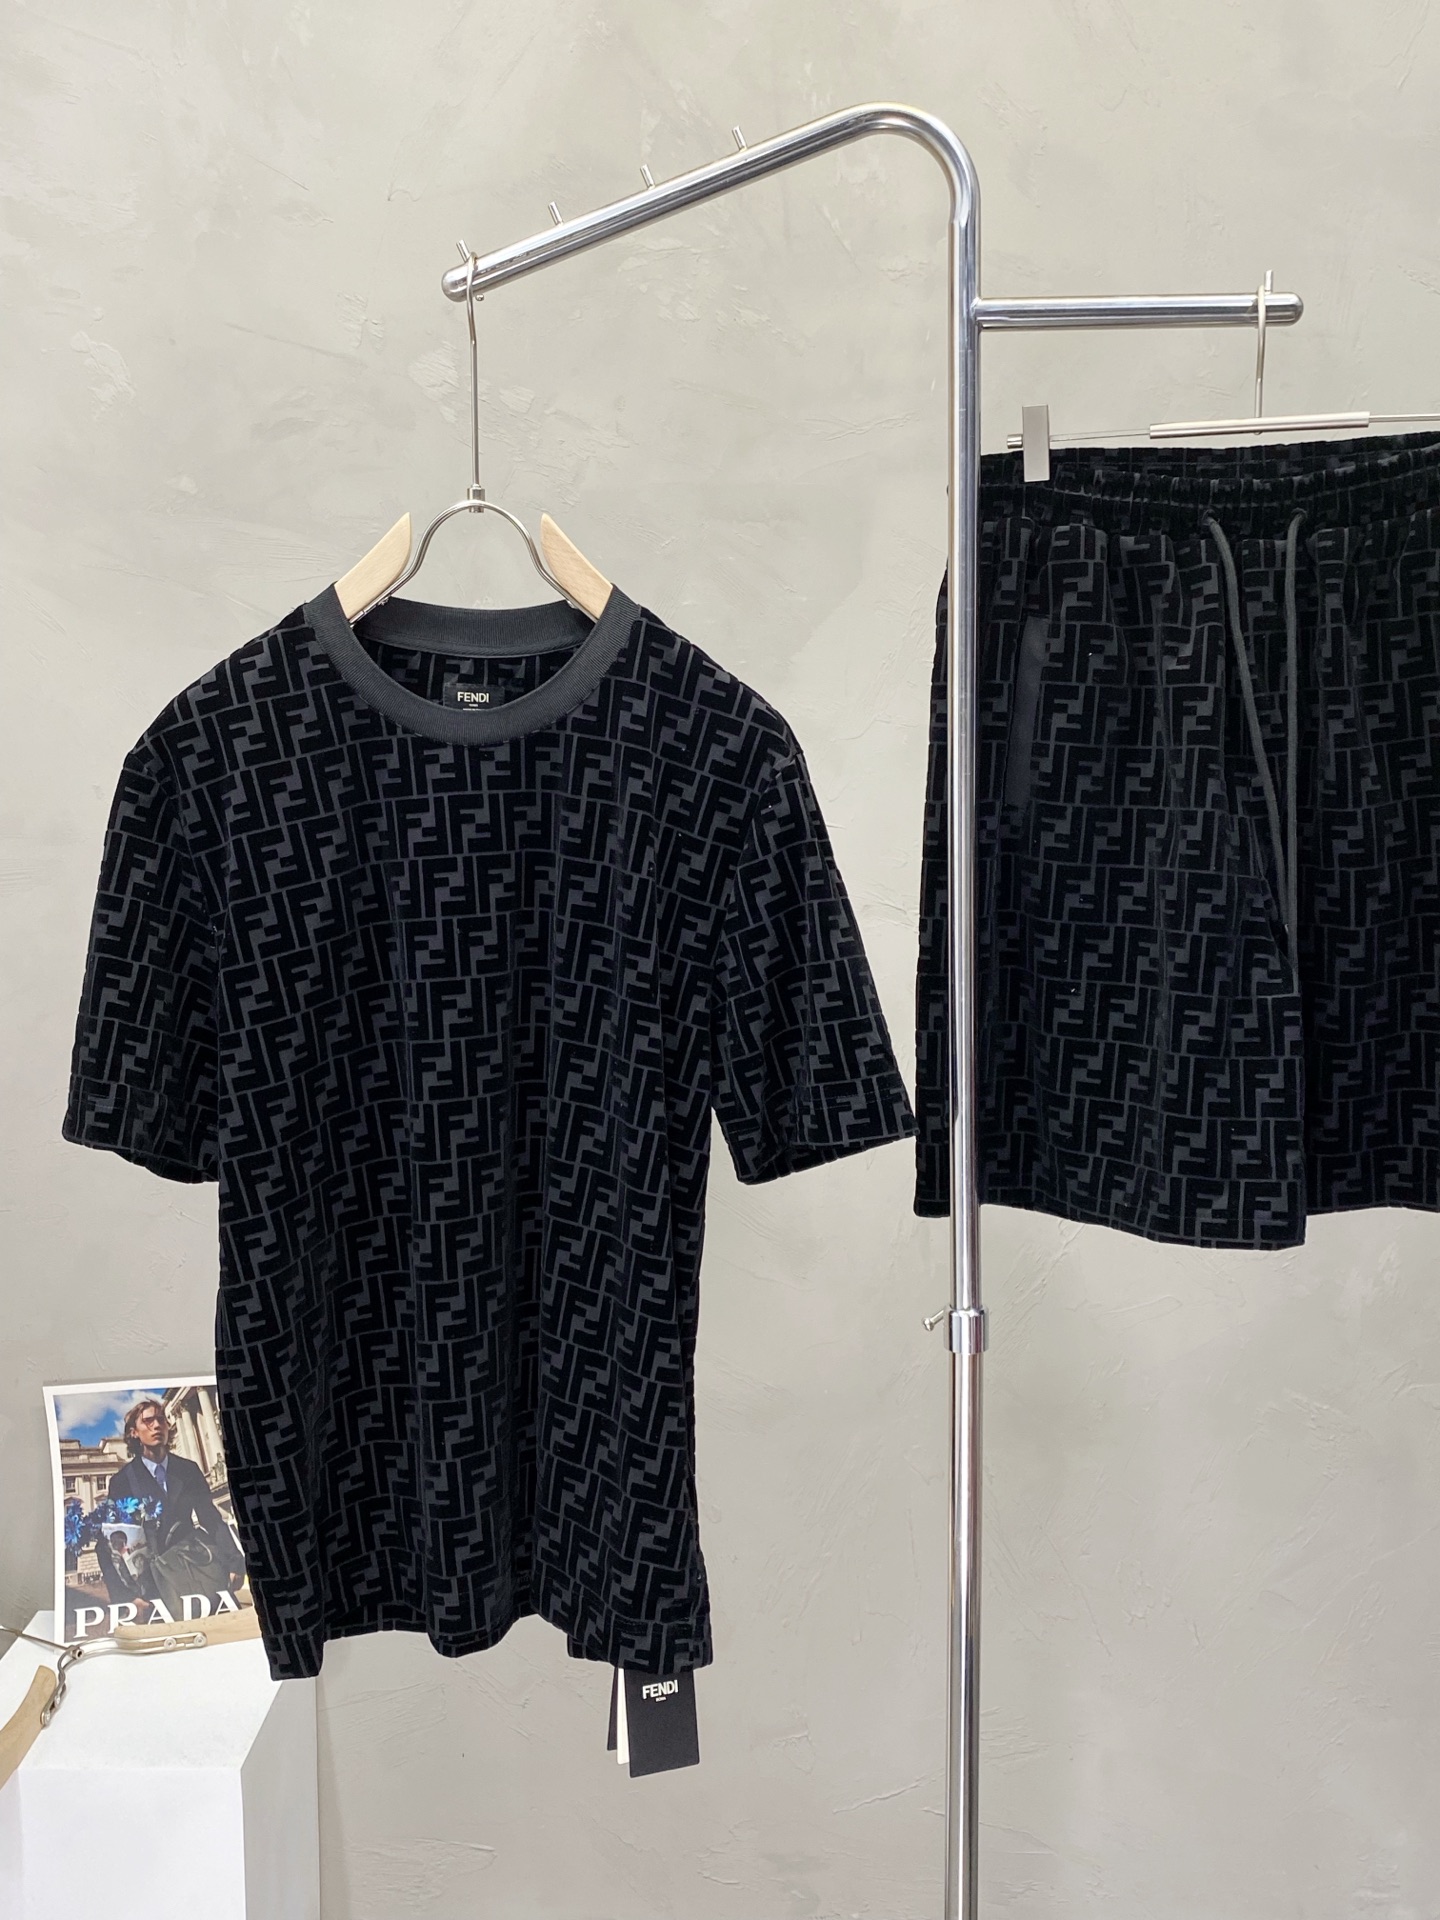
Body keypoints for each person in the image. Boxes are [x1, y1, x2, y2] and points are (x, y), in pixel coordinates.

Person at [106, 1399, 245, 1618]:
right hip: (153, 1583)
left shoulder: (188, 1469)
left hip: (198, 1566)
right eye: (148, 1421)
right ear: (134, 1432)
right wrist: (125, 1597)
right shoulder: (122, 1481)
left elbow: (210, 1518)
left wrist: (235, 1562)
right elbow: (110, 1543)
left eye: (161, 1419)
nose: (157, 1425)